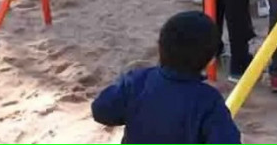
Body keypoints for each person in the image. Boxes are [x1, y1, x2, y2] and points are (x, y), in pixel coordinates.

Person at [91, 11, 241, 144]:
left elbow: (100, 110)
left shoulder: (136, 81)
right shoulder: (209, 101)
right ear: (211, 60)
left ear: (160, 47)